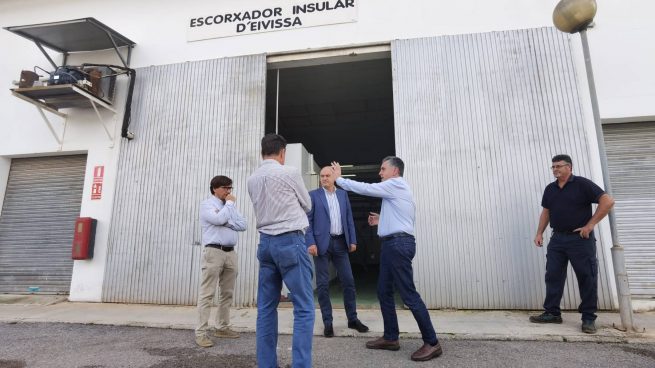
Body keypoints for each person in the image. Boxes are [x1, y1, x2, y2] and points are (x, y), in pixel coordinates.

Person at [330, 156, 442, 362]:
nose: (380, 173)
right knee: (384, 292)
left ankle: (432, 343)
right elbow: (403, 219)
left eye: (383, 169)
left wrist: (340, 180)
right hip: (393, 244)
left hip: (398, 245)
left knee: (409, 295)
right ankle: (391, 338)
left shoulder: (396, 184)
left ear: (395, 171)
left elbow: (366, 188)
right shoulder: (399, 191)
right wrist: (381, 221)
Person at [247, 134, 314, 368]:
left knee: (266, 308)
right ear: (282, 152)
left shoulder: (252, 179)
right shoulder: (289, 173)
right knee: (304, 307)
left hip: (265, 244)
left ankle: (266, 365)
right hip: (290, 241)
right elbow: (308, 204)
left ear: (262, 152)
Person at [530, 154, 615, 334]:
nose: (555, 170)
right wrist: (539, 233)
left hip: (580, 240)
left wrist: (590, 225)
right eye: (553, 167)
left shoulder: (582, 184)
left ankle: (588, 318)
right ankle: (552, 313)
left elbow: (607, 201)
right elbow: (546, 212)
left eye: (558, 166)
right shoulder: (550, 189)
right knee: (553, 276)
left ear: (569, 167)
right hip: (557, 239)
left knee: (587, 277)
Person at [306, 166, 369, 338]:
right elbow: (308, 221)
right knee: (323, 284)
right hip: (321, 244)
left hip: (341, 243)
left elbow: (348, 218)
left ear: (334, 177)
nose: (324, 178)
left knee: (348, 281)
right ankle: (328, 322)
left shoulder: (343, 195)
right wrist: (310, 242)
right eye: (322, 176)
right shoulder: (313, 195)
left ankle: (352, 319)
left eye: (327, 175)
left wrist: (353, 240)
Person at [195, 175, 247, 348]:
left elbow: (243, 224)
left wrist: (227, 221)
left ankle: (222, 327)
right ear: (215, 188)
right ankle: (201, 333)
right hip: (214, 251)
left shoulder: (228, 207)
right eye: (225, 188)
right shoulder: (207, 205)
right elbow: (217, 220)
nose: (228, 191)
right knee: (207, 293)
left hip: (230, 252)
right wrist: (229, 208)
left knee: (227, 293)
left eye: (230, 188)